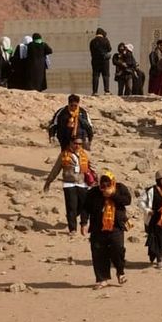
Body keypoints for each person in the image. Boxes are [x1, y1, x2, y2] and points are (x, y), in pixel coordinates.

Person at [43, 96, 95, 234]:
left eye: (75, 104)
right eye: (71, 104)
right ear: (68, 104)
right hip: (65, 144)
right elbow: (53, 124)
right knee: (71, 205)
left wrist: (88, 139)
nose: (73, 106)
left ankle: (83, 223)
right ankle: (73, 228)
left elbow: (90, 127)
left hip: (82, 180)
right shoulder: (62, 112)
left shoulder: (83, 113)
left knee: (83, 204)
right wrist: (52, 135)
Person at [80, 171, 131, 288]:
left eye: (108, 185)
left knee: (118, 249)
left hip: (116, 226)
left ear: (113, 182)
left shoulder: (120, 188)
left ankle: (120, 272)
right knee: (98, 252)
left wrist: (112, 195)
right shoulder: (93, 192)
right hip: (98, 228)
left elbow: (127, 201)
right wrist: (83, 223)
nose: (105, 188)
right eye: (103, 186)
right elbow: (85, 208)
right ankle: (102, 279)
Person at [88, 27, 112, 96]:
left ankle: (95, 91)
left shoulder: (92, 41)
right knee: (105, 75)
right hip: (104, 61)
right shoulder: (105, 40)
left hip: (95, 61)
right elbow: (109, 49)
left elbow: (91, 51)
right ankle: (106, 91)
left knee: (95, 75)